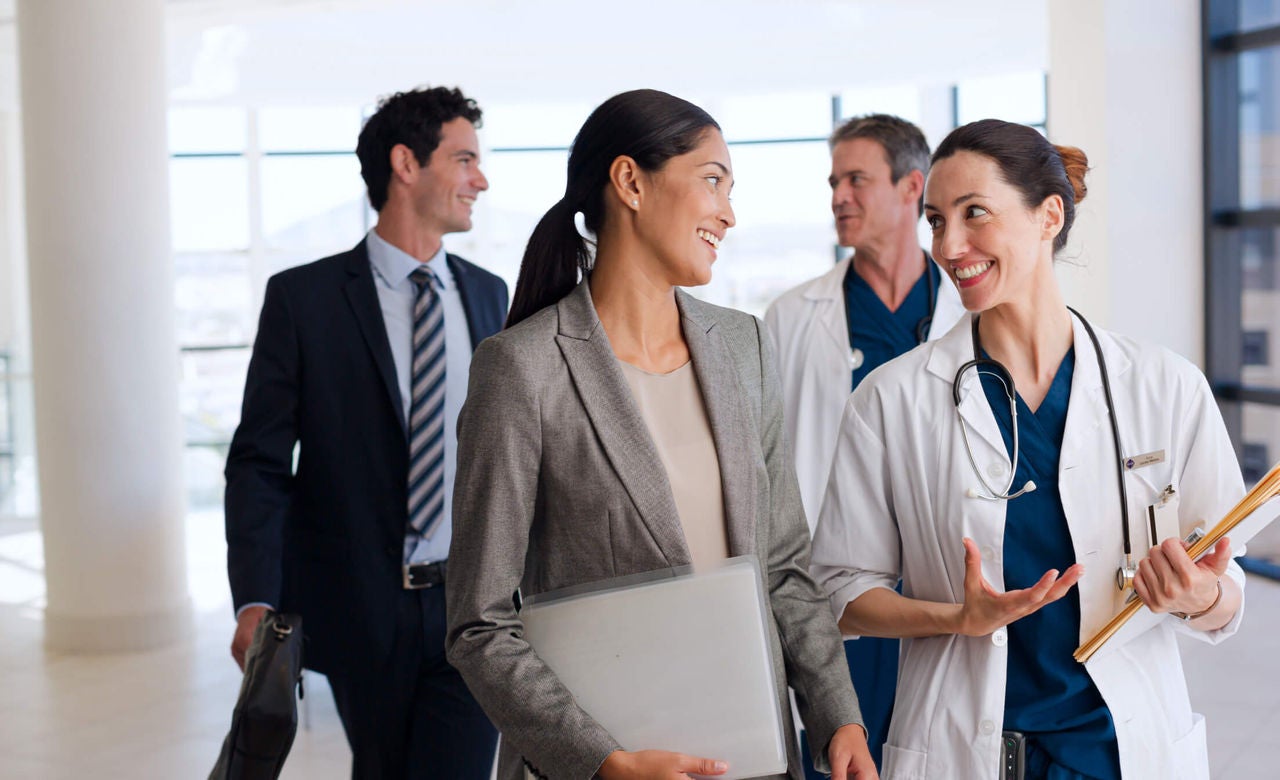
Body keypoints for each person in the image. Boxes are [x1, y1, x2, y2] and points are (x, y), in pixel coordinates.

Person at [444, 89, 876, 780]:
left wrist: (838, 715)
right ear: (630, 182)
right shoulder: (522, 369)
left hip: (754, 756)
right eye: (712, 180)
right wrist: (604, 761)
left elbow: (785, 566)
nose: (728, 214)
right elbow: (480, 624)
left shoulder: (743, 347)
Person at [810, 119, 1247, 780]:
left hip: (1121, 750)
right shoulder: (890, 399)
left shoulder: (1165, 385)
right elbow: (842, 588)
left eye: (974, 214)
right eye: (934, 220)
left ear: (1048, 217)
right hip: (961, 749)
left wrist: (1196, 596)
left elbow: (1227, 586)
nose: (950, 246)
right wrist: (957, 617)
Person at [224, 86, 507, 779]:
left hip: (472, 604)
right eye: (464, 158)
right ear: (406, 164)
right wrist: (256, 597)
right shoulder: (305, 300)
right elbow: (260, 461)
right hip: (359, 608)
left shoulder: (490, 294)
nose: (481, 178)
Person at [764, 114, 964, 771]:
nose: (838, 196)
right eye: (833, 182)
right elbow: (762, 465)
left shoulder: (971, 310)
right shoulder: (793, 318)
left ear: (913, 187)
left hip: (939, 586)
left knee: (937, 748)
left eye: (857, 179)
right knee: (841, 756)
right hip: (837, 594)